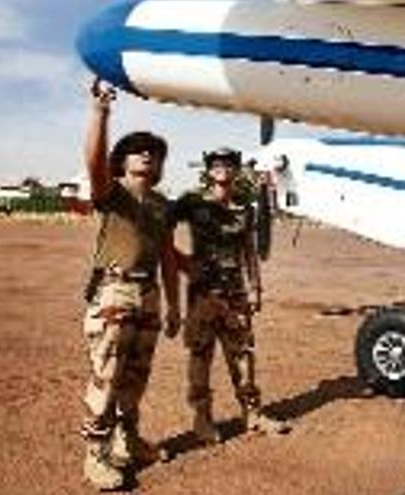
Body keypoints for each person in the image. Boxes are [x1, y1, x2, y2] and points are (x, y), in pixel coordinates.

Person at [80, 79, 180, 490]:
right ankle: (95, 456)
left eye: (154, 153)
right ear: (122, 161)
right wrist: (101, 112)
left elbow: (169, 258)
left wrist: (174, 305)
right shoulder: (112, 191)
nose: (147, 155)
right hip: (114, 292)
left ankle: (128, 441)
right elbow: (92, 162)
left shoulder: (162, 206)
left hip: (149, 293)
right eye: (139, 150)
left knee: (136, 379)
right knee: (107, 376)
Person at [171, 147, 287, 445]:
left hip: (235, 294)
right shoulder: (192, 202)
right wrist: (182, 262)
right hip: (202, 296)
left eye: (229, 164)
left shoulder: (244, 209)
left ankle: (252, 415)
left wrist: (256, 287)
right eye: (216, 164)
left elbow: (248, 251)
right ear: (208, 171)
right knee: (200, 357)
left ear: (235, 171)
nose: (223, 168)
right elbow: (160, 230)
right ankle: (202, 420)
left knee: (243, 357)